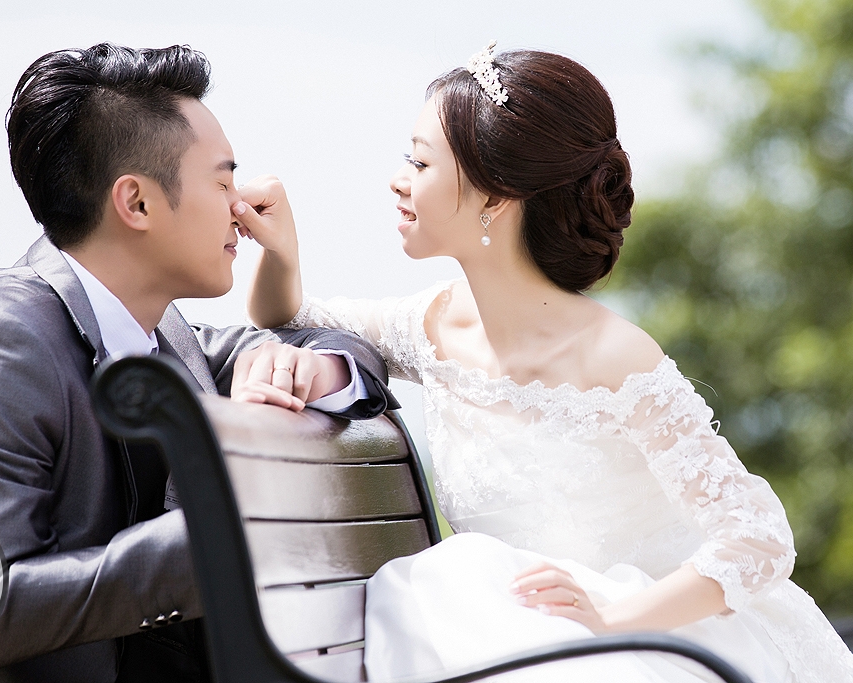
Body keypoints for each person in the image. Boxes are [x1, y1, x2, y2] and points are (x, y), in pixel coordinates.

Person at [242, 43, 853, 682]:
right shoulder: (430, 327)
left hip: (658, 639)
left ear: (495, 197)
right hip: (522, 637)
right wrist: (281, 249)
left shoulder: (613, 357)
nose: (398, 180)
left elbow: (758, 536)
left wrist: (613, 619)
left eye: (420, 162)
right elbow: (289, 315)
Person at [0, 43, 396, 683]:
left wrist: (313, 369)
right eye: (222, 182)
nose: (242, 208)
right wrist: (220, 537)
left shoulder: (166, 335)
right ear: (138, 203)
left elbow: (345, 349)